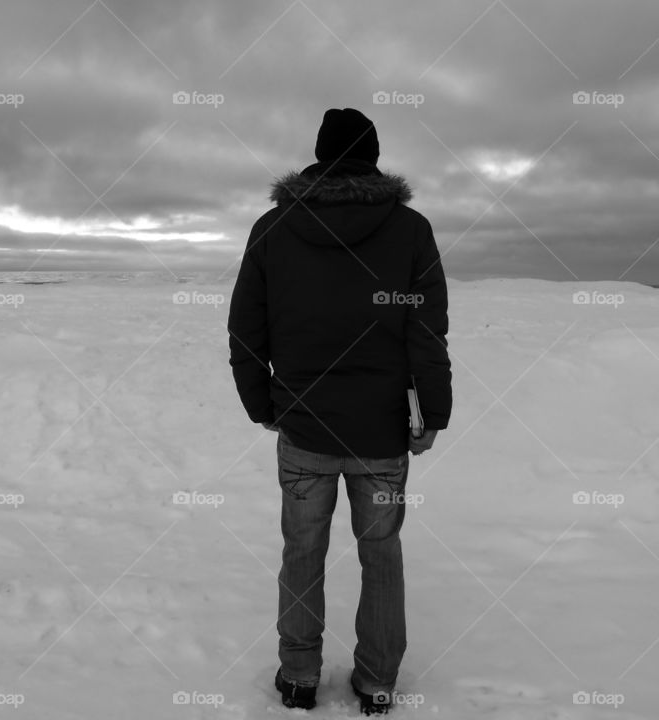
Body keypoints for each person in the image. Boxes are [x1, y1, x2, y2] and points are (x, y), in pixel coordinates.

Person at [227, 108, 452, 716]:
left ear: (319, 157)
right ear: (373, 159)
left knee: (302, 550)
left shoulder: (273, 228)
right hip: (379, 433)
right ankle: (377, 682)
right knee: (381, 553)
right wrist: (432, 412)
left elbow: (246, 331)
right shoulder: (410, 229)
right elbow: (426, 332)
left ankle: (299, 676)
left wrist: (263, 406)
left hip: (303, 427)